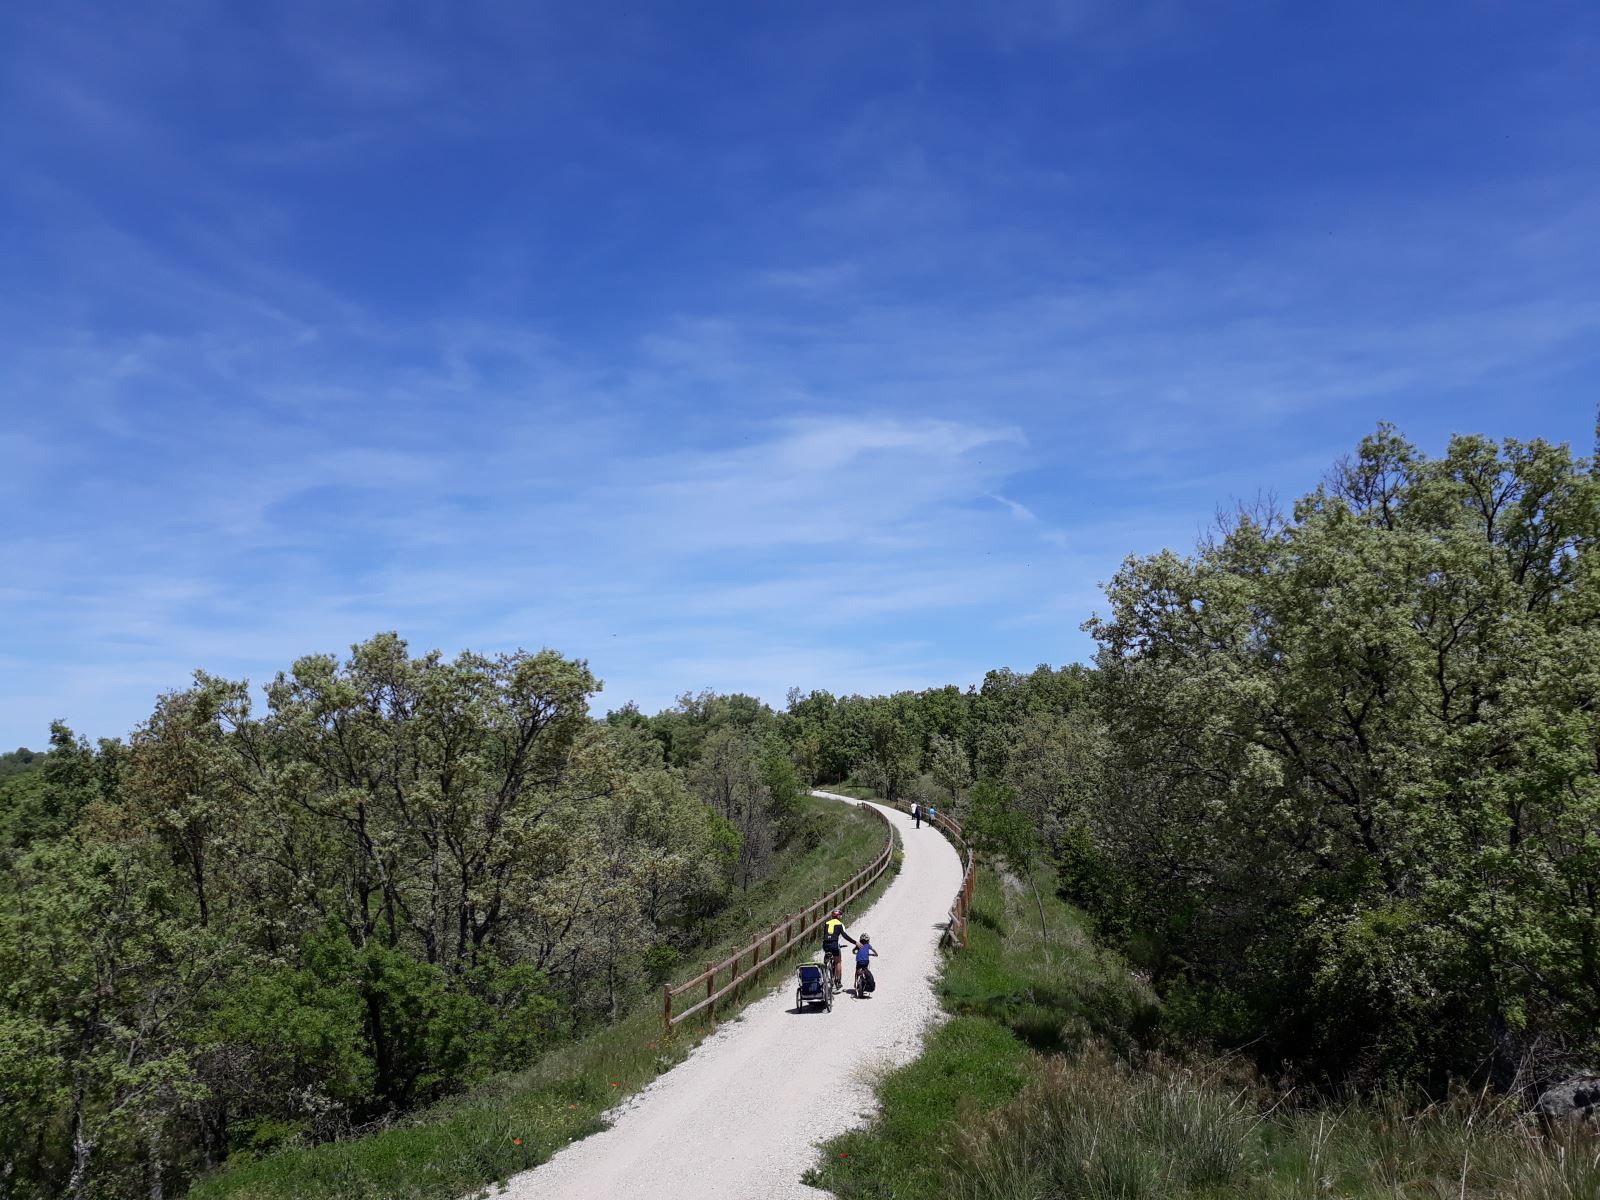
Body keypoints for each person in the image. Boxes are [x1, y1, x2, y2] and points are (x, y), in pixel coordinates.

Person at [821, 909, 857, 991]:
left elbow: (825, 935)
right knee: (838, 961)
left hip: (825, 944)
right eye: (840, 915)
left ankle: (826, 958)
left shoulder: (826, 923)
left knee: (828, 952)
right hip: (834, 944)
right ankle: (838, 981)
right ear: (838, 916)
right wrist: (855, 943)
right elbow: (845, 936)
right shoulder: (840, 924)